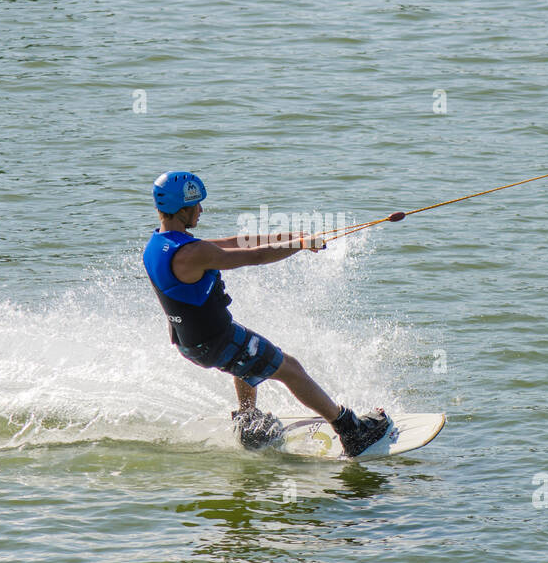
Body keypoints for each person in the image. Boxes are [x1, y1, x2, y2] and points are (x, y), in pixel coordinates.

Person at [142, 171, 393, 456]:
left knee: (248, 357)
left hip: (192, 343)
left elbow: (235, 242)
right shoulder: (192, 253)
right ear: (181, 209)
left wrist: (291, 238)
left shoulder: (160, 245)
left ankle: (249, 422)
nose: (201, 209)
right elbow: (255, 256)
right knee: (291, 369)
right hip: (217, 342)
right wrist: (299, 246)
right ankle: (350, 430)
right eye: (196, 204)